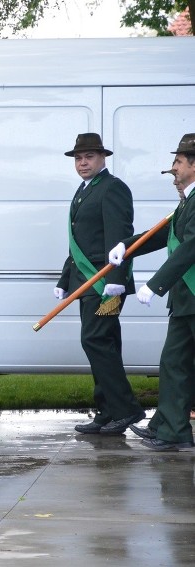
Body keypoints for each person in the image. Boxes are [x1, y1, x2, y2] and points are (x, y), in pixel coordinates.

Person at [109, 133, 195, 451]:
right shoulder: (187, 201)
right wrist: (126, 247)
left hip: (191, 295)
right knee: (174, 362)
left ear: (193, 165)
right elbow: (161, 235)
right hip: (186, 299)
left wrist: (155, 285)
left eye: (177, 162)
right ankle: (171, 428)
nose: (172, 169)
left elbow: (190, 248)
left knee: (179, 363)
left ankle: (171, 427)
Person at [55, 133, 144, 435]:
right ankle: (107, 410)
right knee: (105, 344)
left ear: (103, 158)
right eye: (79, 158)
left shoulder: (113, 188)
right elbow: (79, 242)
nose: (83, 162)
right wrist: (65, 278)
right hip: (86, 284)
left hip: (106, 286)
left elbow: (121, 239)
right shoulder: (84, 191)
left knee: (94, 341)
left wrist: (116, 281)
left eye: (89, 156)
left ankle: (126, 410)